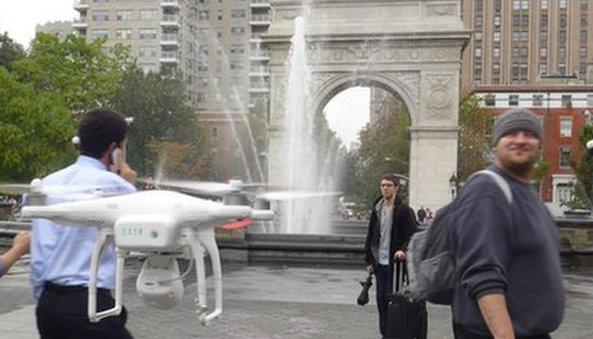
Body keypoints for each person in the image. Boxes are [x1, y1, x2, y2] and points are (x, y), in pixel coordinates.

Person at [451, 108, 564, 339]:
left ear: (540, 145)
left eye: (529, 134)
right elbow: (483, 275)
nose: (520, 140)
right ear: (496, 144)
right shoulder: (487, 190)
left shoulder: (527, 193)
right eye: (511, 134)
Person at [31, 109, 138, 339]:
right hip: (88, 304)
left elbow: (40, 253)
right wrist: (127, 183)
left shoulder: (48, 184)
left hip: (48, 303)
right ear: (114, 149)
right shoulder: (118, 188)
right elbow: (138, 235)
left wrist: (44, 298)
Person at [364, 173, 417, 338]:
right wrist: (369, 259)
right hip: (380, 262)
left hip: (396, 264)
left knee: (393, 300)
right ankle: (385, 334)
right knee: (381, 301)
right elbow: (371, 235)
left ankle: (395, 333)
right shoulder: (377, 208)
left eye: (388, 185)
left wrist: (403, 249)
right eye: (383, 185)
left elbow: (412, 234)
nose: (385, 188)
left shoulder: (404, 210)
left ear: (396, 188)